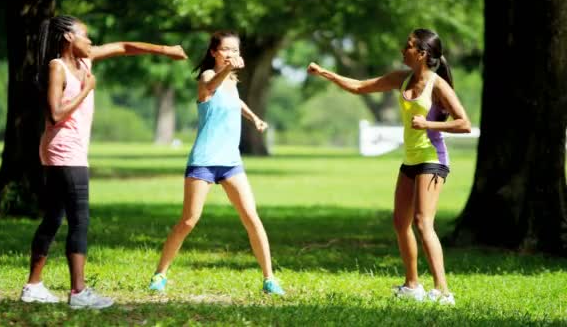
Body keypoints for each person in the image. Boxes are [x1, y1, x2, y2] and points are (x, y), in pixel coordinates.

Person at [19, 15, 188, 309]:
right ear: (69, 38)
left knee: (54, 217)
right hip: (63, 152)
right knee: (79, 221)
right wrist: (87, 90)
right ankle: (78, 293)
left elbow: (124, 46)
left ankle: (33, 286)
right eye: (86, 37)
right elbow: (55, 114)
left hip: (68, 153)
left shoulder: (86, 61)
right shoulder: (57, 67)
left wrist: (164, 49)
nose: (91, 43)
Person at [307, 28, 471, 305]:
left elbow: (464, 123)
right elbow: (360, 87)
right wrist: (326, 73)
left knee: (422, 222)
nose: (402, 49)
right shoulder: (402, 78)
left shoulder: (438, 85)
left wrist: (428, 123)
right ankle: (412, 285)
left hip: (433, 158)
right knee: (400, 222)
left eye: (407, 46)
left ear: (422, 54)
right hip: (410, 159)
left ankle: (443, 291)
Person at [149, 31, 285, 295]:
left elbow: (235, 100)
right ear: (214, 52)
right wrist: (227, 71)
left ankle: (269, 279)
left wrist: (254, 118)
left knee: (252, 218)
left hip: (231, 162)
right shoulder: (208, 76)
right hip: (204, 161)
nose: (231, 54)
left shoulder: (231, 81)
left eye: (235, 50)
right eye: (225, 50)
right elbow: (210, 89)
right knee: (189, 220)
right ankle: (159, 274)